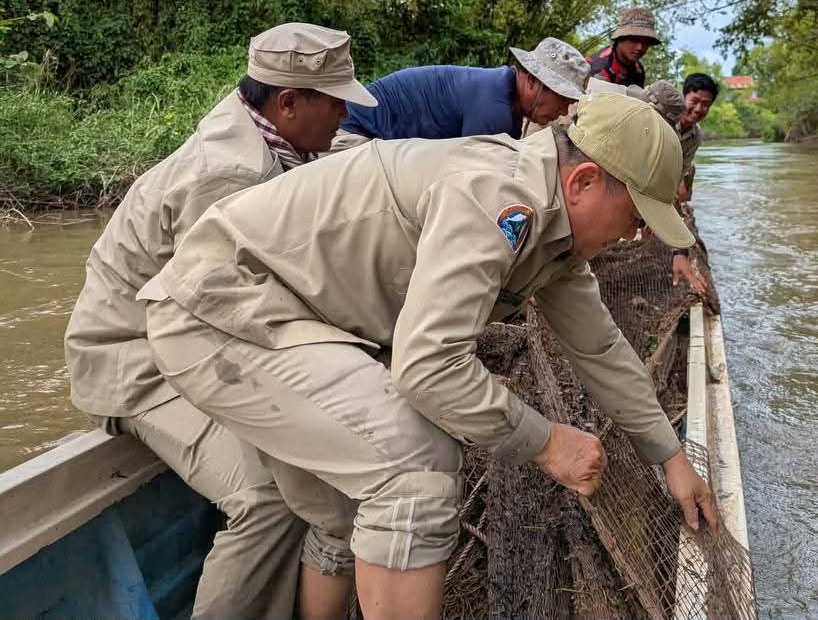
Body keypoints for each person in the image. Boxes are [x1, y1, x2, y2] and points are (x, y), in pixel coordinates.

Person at [139, 92, 718, 620]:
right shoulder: (500, 198)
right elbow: (428, 368)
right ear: (584, 182)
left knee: (342, 513)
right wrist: (548, 443)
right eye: (635, 217)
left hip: (286, 321)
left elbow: (599, 347)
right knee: (417, 467)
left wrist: (669, 456)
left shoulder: (554, 229)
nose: (633, 235)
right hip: (219, 314)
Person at [63, 23, 378, 619]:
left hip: (177, 337)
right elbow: (220, 321)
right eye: (336, 102)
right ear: (289, 102)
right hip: (135, 357)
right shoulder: (229, 175)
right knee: (270, 497)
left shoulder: (272, 136)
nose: (344, 115)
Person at [332, 37, 588, 149]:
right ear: (532, 80)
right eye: (562, 98)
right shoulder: (494, 106)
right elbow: (476, 181)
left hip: (372, 140)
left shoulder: (503, 93)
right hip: (353, 138)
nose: (564, 110)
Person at [670, 73, 720, 296]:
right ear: (684, 96)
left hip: (670, 175)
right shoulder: (664, 119)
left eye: (706, 104)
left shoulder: (695, 136)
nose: (699, 109)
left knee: (681, 191)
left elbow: (676, 176)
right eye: (695, 101)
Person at [587, 7, 661, 88]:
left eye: (646, 42)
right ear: (620, 38)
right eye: (634, 39)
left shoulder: (638, 69)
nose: (640, 47)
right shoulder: (597, 67)